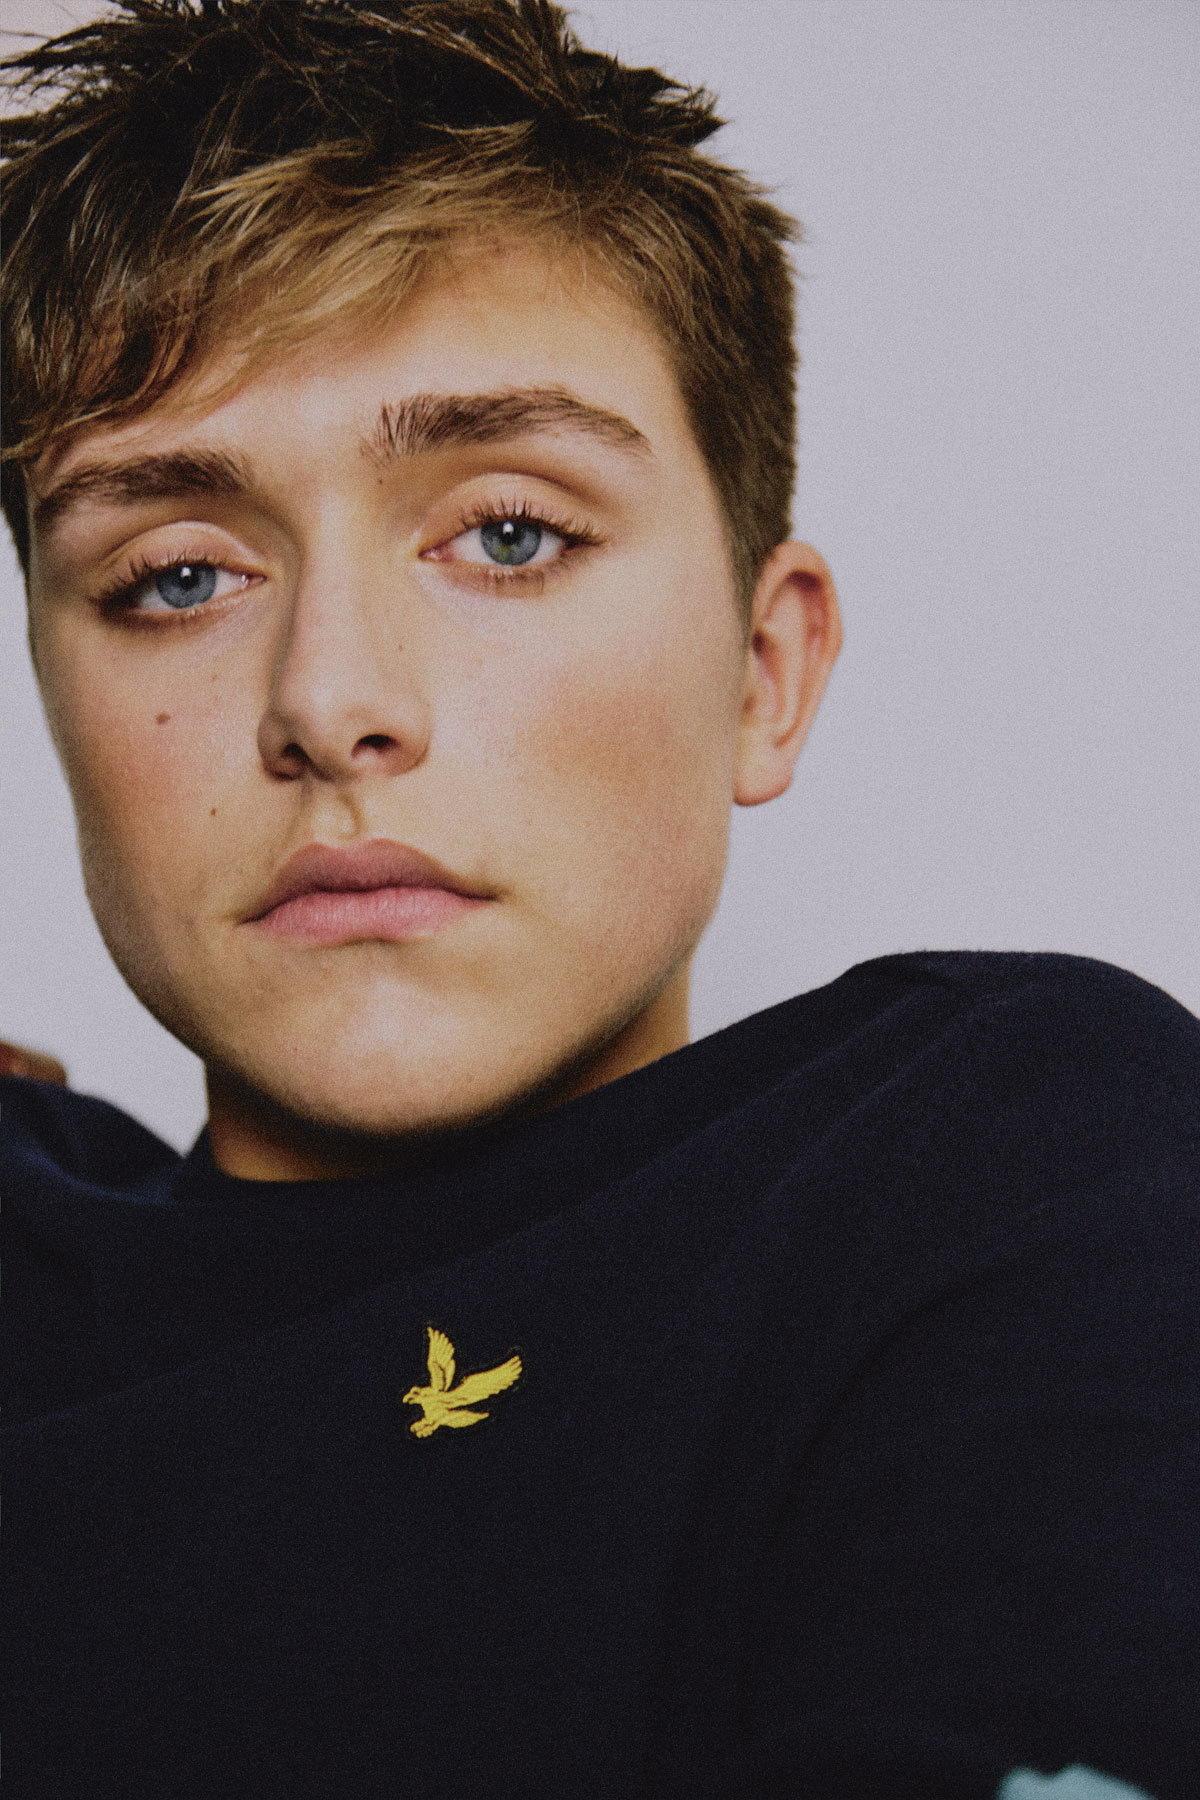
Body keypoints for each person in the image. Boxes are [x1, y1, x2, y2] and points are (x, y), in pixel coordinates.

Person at [1, 3, 1196, 1797]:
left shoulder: (991, 1156)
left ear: (763, 673)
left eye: (508, 534)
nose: (328, 701)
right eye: (176, 575)